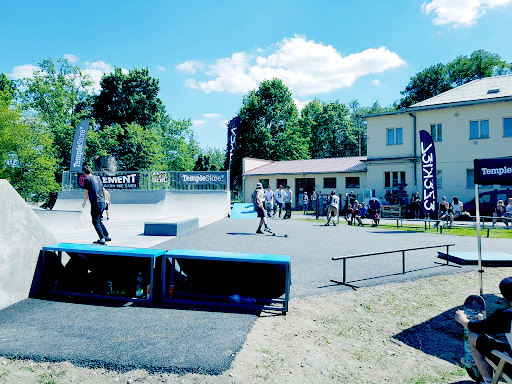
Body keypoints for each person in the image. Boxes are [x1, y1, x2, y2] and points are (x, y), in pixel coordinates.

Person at [455, 277, 512, 384]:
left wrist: (462, 320)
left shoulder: (507, 315)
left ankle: (487, 381)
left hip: (510, 364)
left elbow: (477, 327)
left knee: (473, 337)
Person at [81, 165, 111, 245]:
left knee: (95, 221)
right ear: (91, 171)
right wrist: (105, 200)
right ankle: (106, 236)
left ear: (84, 173)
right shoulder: (98, 178)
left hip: (95, 202)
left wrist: (84, 202)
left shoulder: (87, 179)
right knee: (99, 220)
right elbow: (103, 190)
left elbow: (86, 192)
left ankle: (102, 239)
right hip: (101, 201)